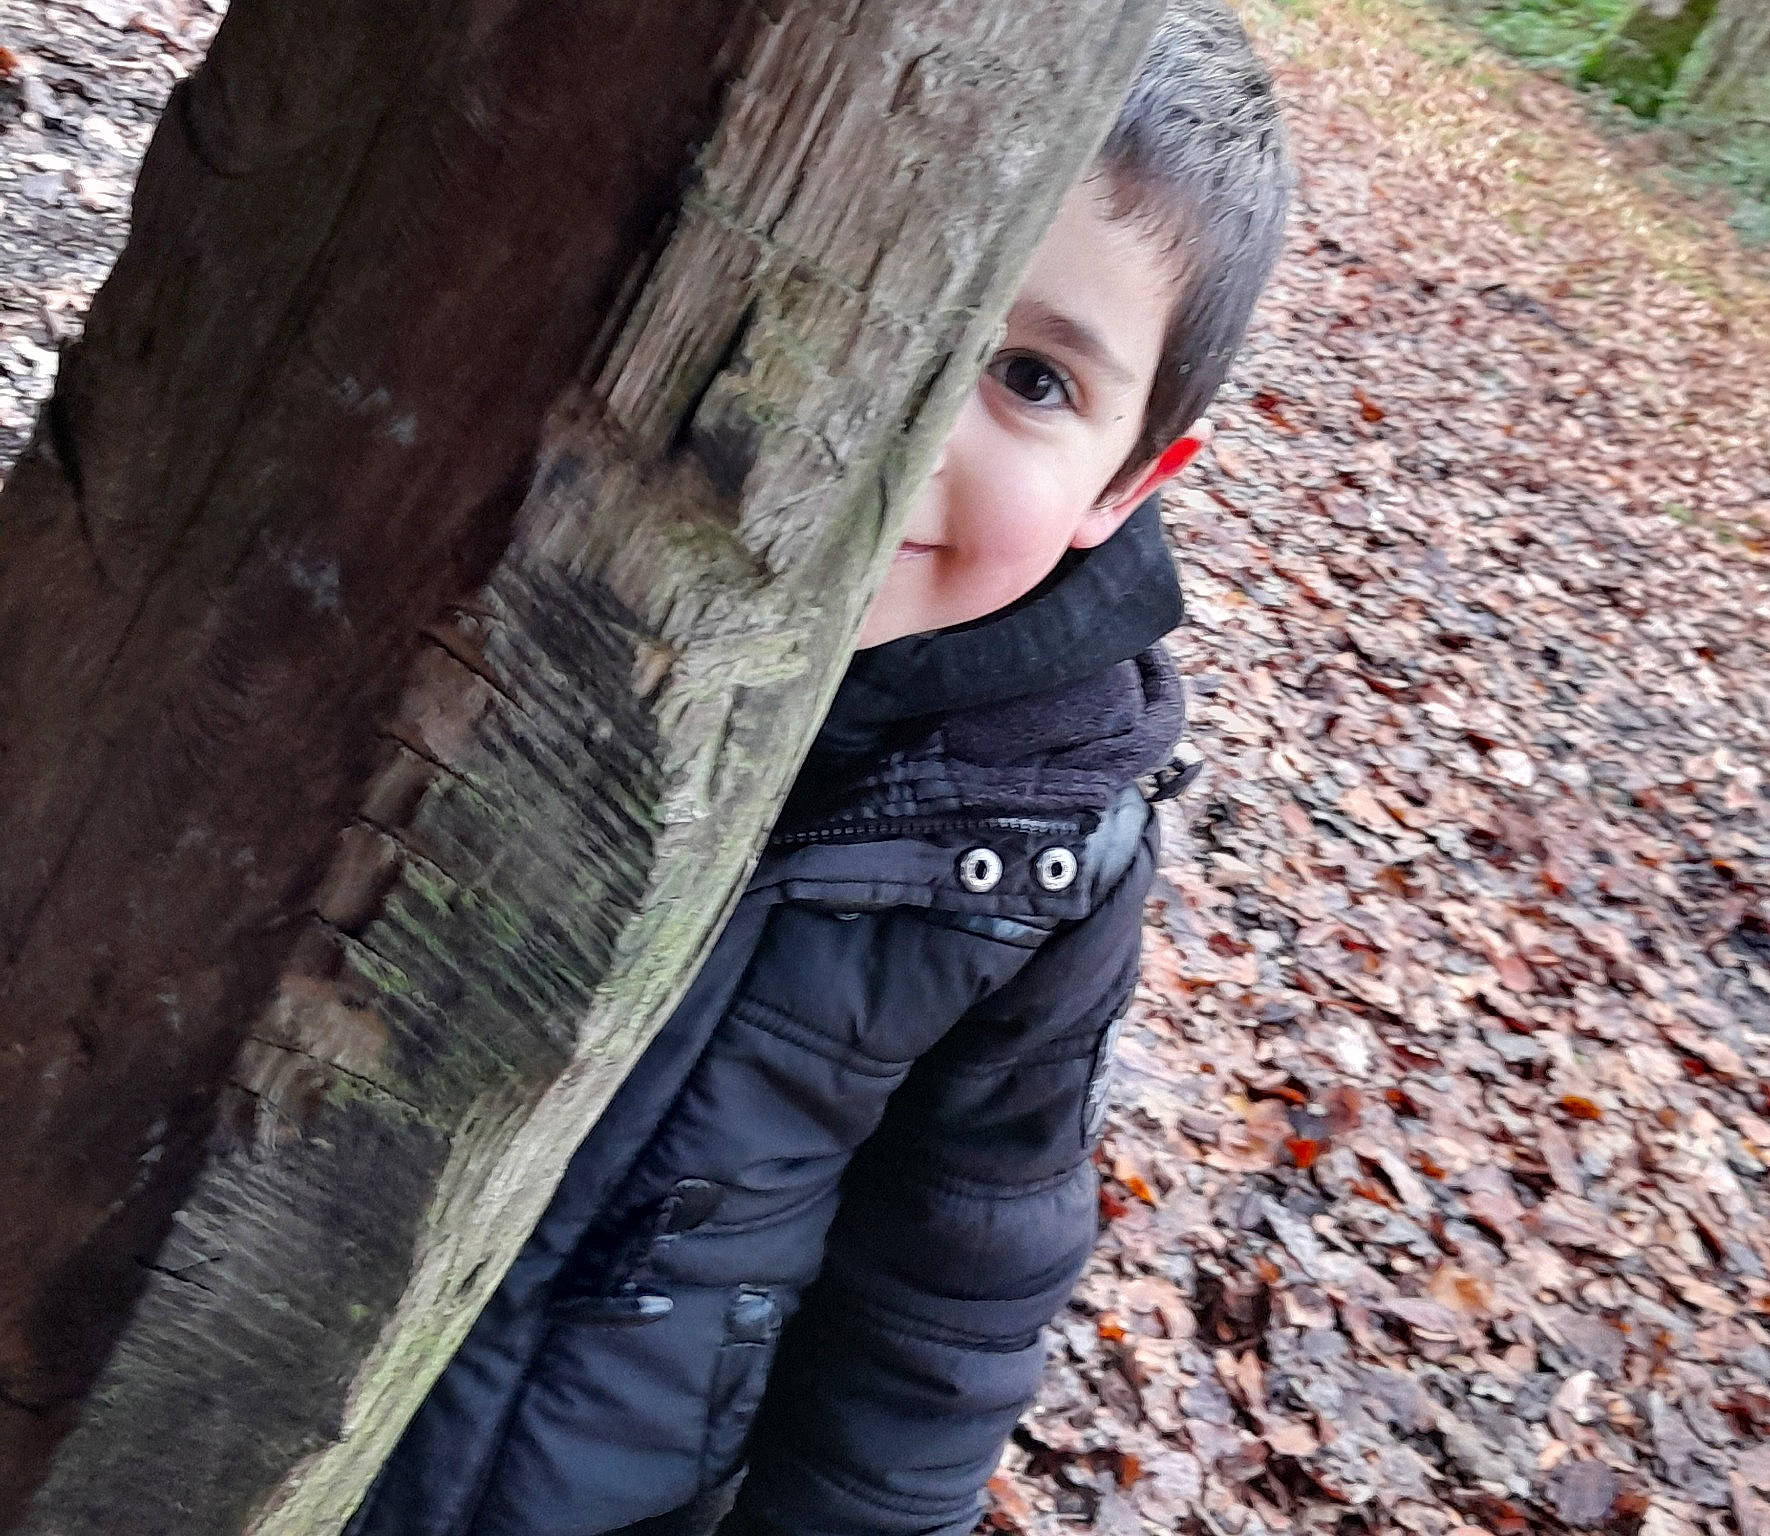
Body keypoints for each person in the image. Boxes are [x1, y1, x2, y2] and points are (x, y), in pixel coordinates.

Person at [348, 6, 1289, 1533]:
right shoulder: (472, 531)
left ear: (1129, 487)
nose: (902, 424)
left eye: (1032, 378)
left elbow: (946, 1301)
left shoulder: (1035, 846)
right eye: (902, 292)